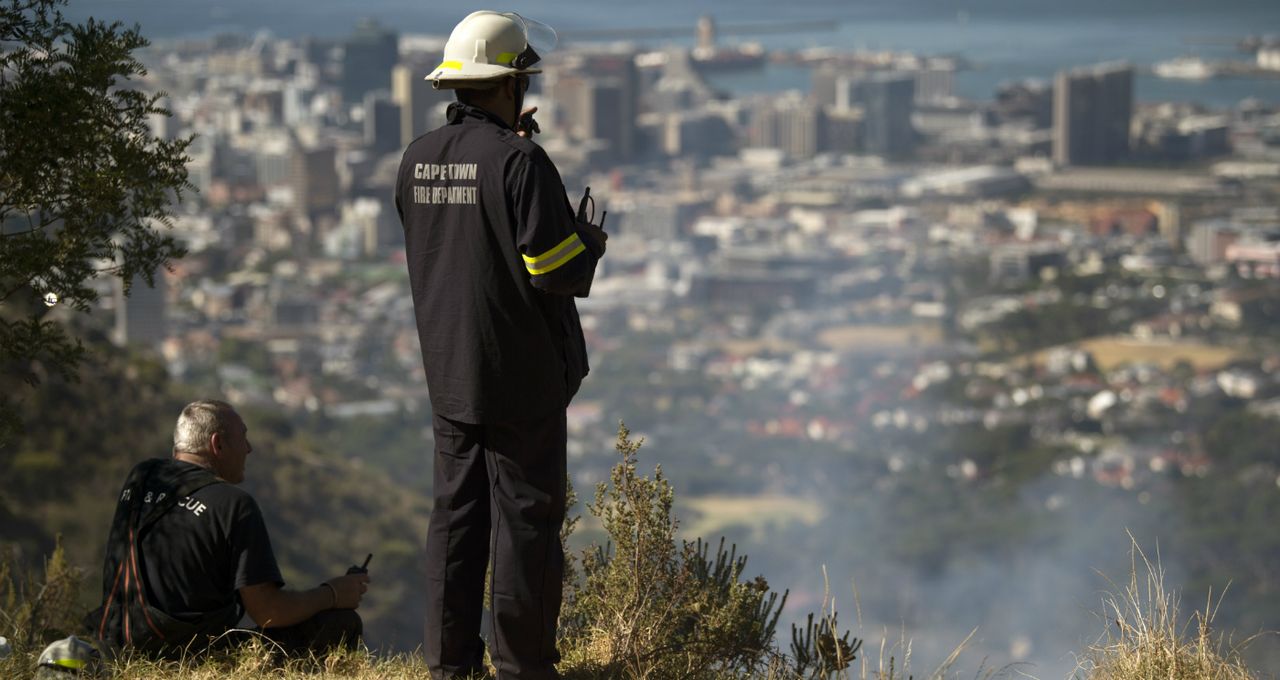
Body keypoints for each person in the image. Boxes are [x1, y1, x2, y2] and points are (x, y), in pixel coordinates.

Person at [395, 10, 607, 680]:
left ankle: (450, 667)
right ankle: (521, 666)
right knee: (525, 528)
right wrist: (589, 239)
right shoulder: (520, 162)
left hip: (451, 377)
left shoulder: (415, 160)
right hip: (520, 381)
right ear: (513, 83)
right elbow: (555, 272)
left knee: (456, 526)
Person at [86, 400, 370, 659]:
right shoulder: (234, 504)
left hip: (118, 645)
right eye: (243, 437)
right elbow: (269, 612)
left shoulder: (140, 477)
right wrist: (332, 593)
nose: (249, 448)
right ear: (217, 445)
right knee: (341, 623)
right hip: (187, 654)